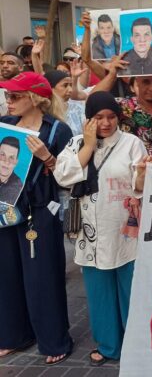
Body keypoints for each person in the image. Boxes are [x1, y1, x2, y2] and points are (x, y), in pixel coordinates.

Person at [53, 91, 146, 366]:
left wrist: (143, 174)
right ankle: (109, 346)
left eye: (111, 117)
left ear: (118, 118)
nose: (105, 123)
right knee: (99, 292)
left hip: (124, 228)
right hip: (89, 231)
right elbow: (63, 176)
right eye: (98, 117)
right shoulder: (76, 143)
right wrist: (89, 145)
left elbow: (140, 184)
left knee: (130, 289)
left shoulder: (131, 143)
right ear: (88, 119)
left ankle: (136, 345)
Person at [0, 72, 73, 366]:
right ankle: (13, 335)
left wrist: (46, 157)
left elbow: (69, 177)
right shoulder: (6, 124)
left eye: (15, 96)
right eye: (8, 95)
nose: (9, 100)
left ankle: (54, 340)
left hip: (39, 211)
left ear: (34, 98)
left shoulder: (56, 130)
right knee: (6, 275)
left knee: (42, 277)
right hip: (5, 209)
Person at [91, 59, 152, 159]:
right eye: (146, 82)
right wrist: (112, 75)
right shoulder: (121, 106)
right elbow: (92, 102)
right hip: (128, 167)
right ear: (137, 83)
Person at [45, 70, 85, 136]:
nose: (70, 90)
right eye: (65, 85)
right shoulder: (42, 112)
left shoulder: (78, 109)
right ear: (51, 88)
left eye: (70, 85)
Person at [0, 136, 23, 204]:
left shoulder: (18, 188)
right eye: (2, 155)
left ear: (16, 162)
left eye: (11, 157)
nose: (6, 162)